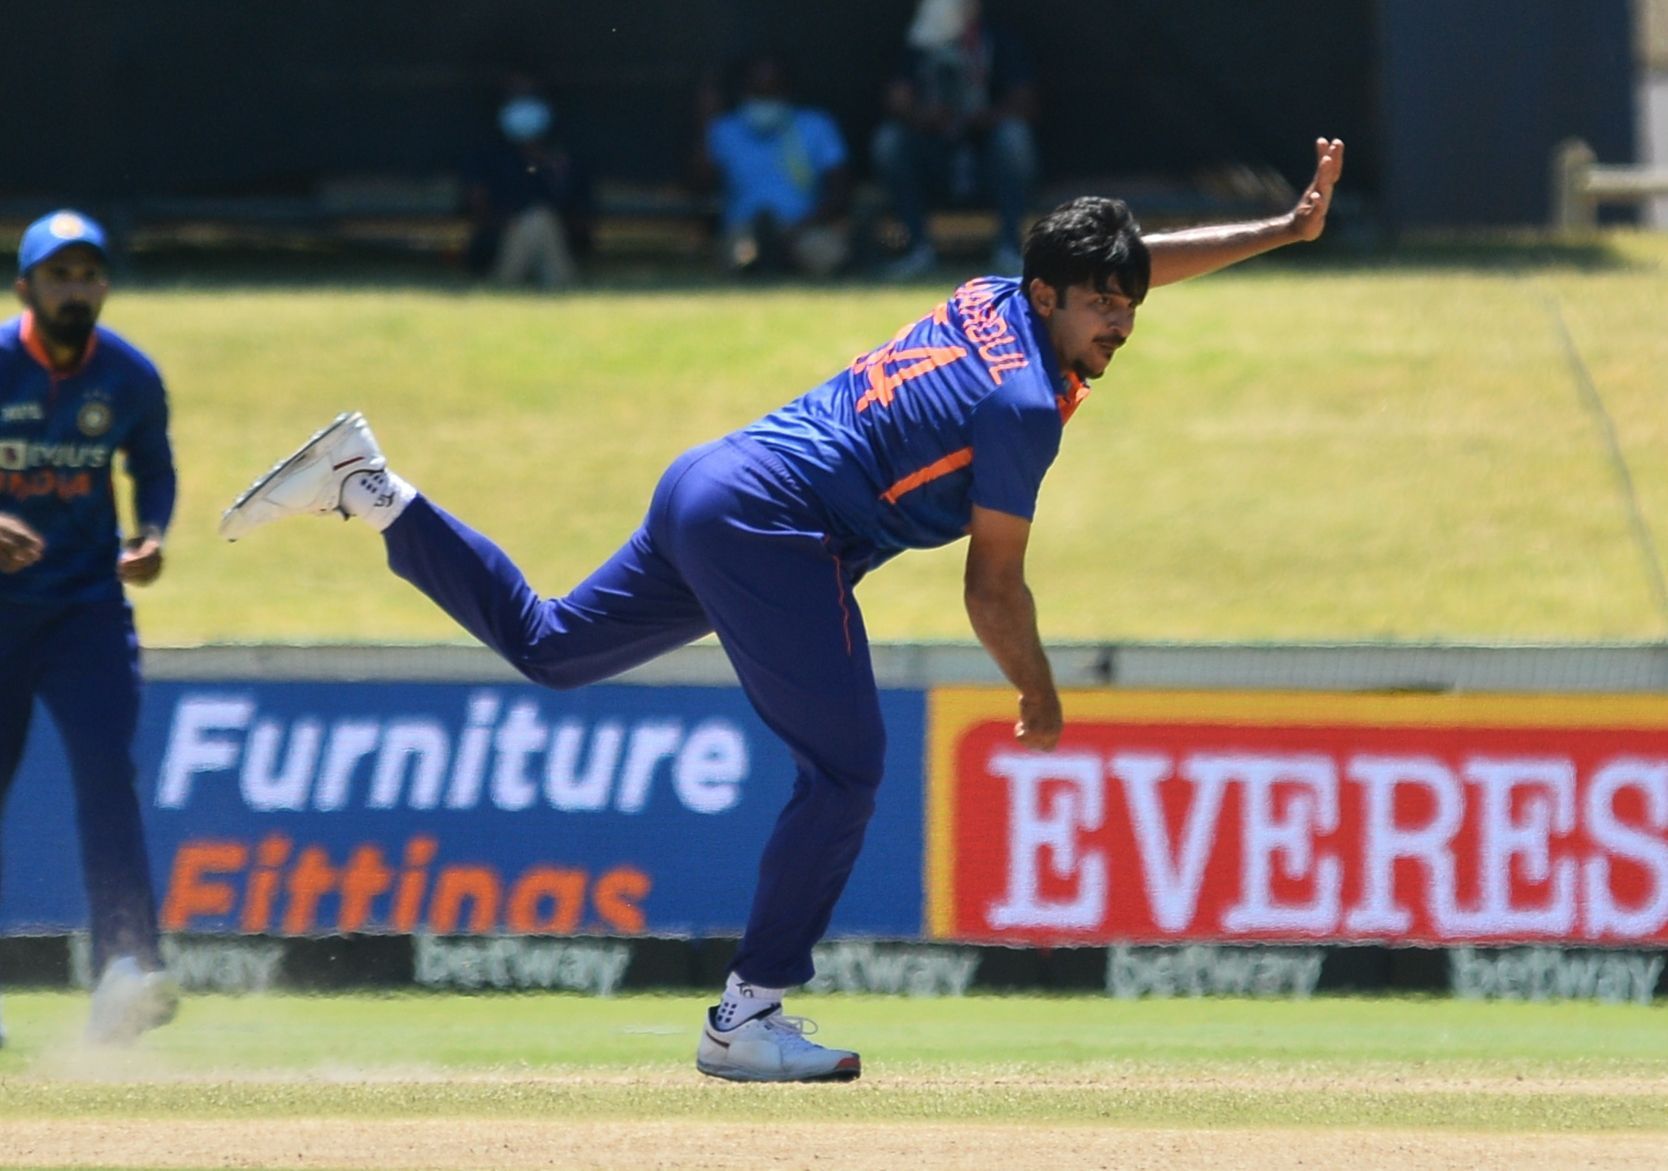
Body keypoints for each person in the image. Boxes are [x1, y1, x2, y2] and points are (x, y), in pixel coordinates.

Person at [219, 139, 1344, 1082]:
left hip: (711, 480)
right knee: (848, 769)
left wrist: (1283, 231)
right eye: (1103, 306)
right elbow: (990, 586)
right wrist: (1039, 692)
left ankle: (373, 490)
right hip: (773, 530)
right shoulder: (1020, 405)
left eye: (1127, 302)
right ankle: (747, 1016)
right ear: (1049, 295)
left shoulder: (995, 297)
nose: (1123, 323)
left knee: (553, 648)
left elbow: (1139, 261)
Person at [0, 210, 180, 1046]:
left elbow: (153, 464)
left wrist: (150, 534)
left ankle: (127, 967)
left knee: (108, 776)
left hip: (86, 615)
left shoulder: (128, 377)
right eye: (59, 274)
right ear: (24, 284)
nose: (76, 289)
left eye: (88, 274)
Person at [872, 0, 1041, 279]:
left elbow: (1027, 101)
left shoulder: (997, 40)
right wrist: (924, 115)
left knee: (1014, 137)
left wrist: (983, 118)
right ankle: (917, 250)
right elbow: (896, 100)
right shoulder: (918, 45)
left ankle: (1010, 249)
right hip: (934, 155)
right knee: (889, 141)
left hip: (985, 155)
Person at [695, 53, 853, 278]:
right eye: (758, 93)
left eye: (772, 92)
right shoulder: (723, 129)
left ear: (788, 92)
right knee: (741, 255)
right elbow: (701, 186)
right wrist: (705, 125)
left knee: (828, 257)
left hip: (804, 227)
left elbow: (839, 191)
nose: (765, 100)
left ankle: (784, 259)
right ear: (744, 92)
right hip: (744, 229)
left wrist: (800, 228)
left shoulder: (817, 125)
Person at [463, 80, 594, 289]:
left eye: (530, 97)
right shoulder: (485, 157)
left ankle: (510, 284)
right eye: (517, 98)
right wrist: (515, 223)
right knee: (535, 220)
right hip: (500, 244)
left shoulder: (565, 161)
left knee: (541, 220)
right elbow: (478, 212)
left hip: (555, 241)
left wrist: (557, 177)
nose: (524, 108)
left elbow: (581, 217)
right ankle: (556, 284)